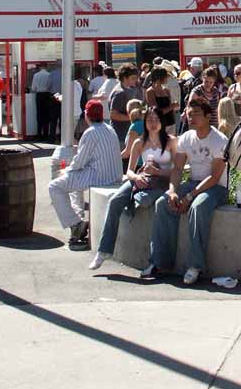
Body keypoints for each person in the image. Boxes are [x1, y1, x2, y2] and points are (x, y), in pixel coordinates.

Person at [144, 98, 228, 284]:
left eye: (197, 114)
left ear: (208, 116)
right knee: (163, 203)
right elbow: (178, 169)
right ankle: (160, 262)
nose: (192, 118)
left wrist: (190, 196)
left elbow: (214, 177)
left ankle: (195, 265)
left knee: (197, 208)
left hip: (216, 188)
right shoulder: (186, 138)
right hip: (192, 182)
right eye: (190, 114)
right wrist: (173, 191)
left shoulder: (219, 140)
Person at [89, 106, 178, 270]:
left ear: (162, 122)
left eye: (156, 120)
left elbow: (177, 170)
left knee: (146, 202)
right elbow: (129, 170)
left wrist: (157, 171)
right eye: (149, 120)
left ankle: (155, 260)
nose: (153, 123)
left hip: (162, 181)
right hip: (141, 179)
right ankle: (104, 250)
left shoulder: (171, 141)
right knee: (115, 200)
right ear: (144, 122)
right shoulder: (139, 142)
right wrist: (137, 177)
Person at [48, 100, 122, 244]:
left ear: (87, 115)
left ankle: (76, 224)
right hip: (114, 175)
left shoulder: (90, 133)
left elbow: (79, 163)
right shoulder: (110, 129)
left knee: (55, 186)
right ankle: (78, 218)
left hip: (99, 177)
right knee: (73, 183)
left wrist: (66, 170)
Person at [109, 63, 143, 147]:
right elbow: (113, 115)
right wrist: (132, 117)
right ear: (125, 78)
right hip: (121, 136)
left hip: (129, 134)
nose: (136, 80)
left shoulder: (131, 89)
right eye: (133, 78)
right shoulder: (120, 93)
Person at [120, 99, 144, 174]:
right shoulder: (146, 123)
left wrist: (113, 159)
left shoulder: (135, 126)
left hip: (137, 165)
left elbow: (128, 152)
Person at [30, 63, 51, 141]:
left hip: (39, 95)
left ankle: (39, 134)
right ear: (46, 67)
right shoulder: (49, 75)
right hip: (47, 95)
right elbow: (50, 86)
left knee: (39, 114)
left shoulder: (36, 75)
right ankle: (46, 134)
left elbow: (33, 88)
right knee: (47, 115)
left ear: (40, 67)